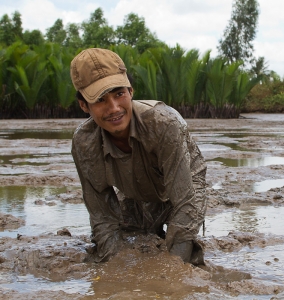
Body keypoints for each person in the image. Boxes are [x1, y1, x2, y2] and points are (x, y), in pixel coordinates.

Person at [70, 48, 207, 265]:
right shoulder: (84, 142)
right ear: (84, 105)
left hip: (185, 181)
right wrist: (116, 269)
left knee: (182, 244)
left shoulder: (164, 124)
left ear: (131, 91)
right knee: (133, 239)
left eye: (119, 94)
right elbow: (102, 215)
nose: (114, 108)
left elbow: (184, 199)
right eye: (100, 100)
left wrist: (173, 271)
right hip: (135, 188)